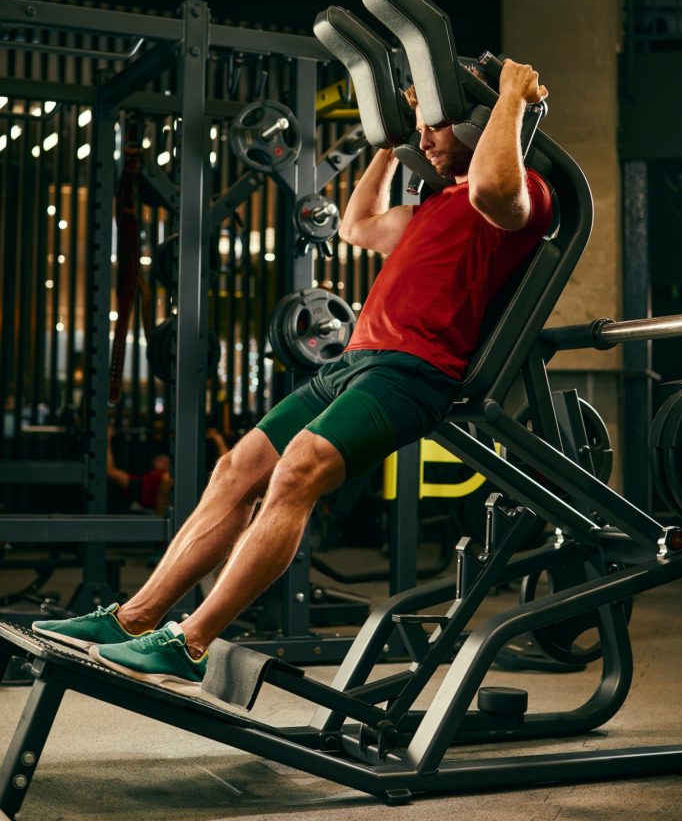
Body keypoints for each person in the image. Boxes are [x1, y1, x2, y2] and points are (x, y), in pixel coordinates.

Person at [33, 60, 553, 689]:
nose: (424, 141)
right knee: (236, 469)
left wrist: (510, 98)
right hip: (354, 364)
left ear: (478, 122)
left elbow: (496, 189)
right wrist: (388, 150)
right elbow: (360, 227)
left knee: (297, 470)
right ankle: (134, 619)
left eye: (433, 130)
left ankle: (191, 643)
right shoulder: (436, 206)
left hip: (413, 375)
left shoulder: (518, 195)